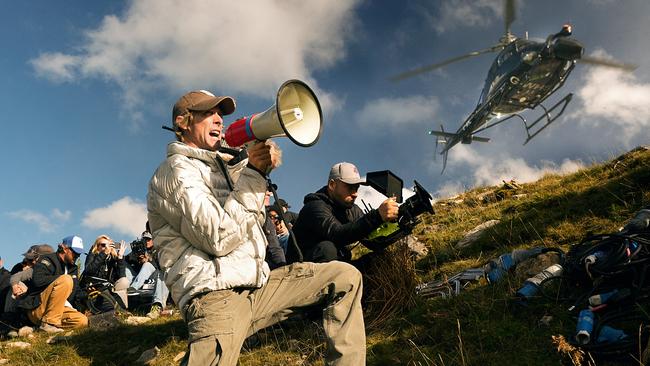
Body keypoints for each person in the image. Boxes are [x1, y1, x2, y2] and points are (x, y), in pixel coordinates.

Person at [147, 89, 365, 365]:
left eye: (220, 114)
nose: (218, 120)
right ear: (183, 122)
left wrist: (252, 166)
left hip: (256, 287)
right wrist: (255, 173)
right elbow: (217, 237)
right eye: (207, 113)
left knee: (343, 277)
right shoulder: (174, 171)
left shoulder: (224, 168)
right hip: (215, 297)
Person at [292, 162, 399, 263]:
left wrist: (397, 222)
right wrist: (377, 215)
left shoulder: (352, 209)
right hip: (302, 272)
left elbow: (371, 238)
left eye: (356, 188)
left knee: (380, 259)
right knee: (327, 248)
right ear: (332, 185)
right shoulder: (315, 207)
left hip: (338, 266)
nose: (355, 194)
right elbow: (337, 234)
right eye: (350, 187)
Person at [17, 236, 87, 333]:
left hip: (58, 309)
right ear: (64, 248)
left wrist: (87, 298)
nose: (77, 256)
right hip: (38, 307)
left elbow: (76, 291)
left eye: (79, 254)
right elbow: (38, 281)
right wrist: (61, 279)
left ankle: (40, 328)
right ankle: (48, 324)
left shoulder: (73, 268)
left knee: (82, 321)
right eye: (75, 252)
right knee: (66, 279)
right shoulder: (47, 259)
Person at [124, 231, 169, 318]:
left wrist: (149, 260)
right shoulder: (138, 250)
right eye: (144, 240)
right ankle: (129, 291)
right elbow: (126, 263)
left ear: (153, 240)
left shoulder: (158, 250)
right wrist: (137, 259)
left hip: (155, 281)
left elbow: (161, 269)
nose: (146, 242)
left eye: (148, 239)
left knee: (148, 265)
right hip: (141, 284)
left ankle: (134, 289)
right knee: (125, 266)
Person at [82, 235, 129, 310]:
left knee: (124, 281)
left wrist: (120, 258)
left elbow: (121, 276)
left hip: (109, 287)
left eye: (108, 245)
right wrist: (103, 254)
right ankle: (119, 310)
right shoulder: (93, 255)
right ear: (97, 246)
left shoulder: (112, 259)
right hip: (93, 287)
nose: (105, 247)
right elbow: (89, 271)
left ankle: (124, 311)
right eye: (103, 245)